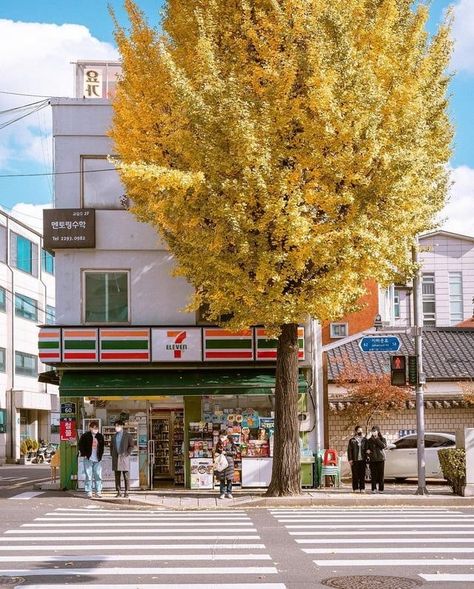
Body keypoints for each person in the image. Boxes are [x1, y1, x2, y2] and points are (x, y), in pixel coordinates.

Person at [78, 420, 104, 498]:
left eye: (96, 428)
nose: (95, 429)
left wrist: (100, 456)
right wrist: (84, 454)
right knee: (88, 476)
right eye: (93, 427)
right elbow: (80, 445)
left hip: (97, 459)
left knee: (98, 475)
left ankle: (98, 491)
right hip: (88, 458)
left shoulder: (100, 436)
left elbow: (102, 447)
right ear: (90, 428)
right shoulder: (85, 435)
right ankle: (89, 491)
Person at [111, 419, 135, 498]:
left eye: (117, 426)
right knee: (117, 476)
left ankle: (127, 491)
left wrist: (127, 453)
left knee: (126, 475)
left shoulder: (127, 435)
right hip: (116, 457)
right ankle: (118, 491)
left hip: (124, 457)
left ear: (121, 426)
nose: (116, 427)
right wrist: (112, 454)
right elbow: (111, 446)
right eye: (115, 426)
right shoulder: (114, 436)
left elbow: (131, 446)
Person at [215, 433, 237, 499]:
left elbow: (235, 452)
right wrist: (217, 453)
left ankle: (229, 493)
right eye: (222, 437)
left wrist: (226, 453)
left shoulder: (232, 444)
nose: (223, 438)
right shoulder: (219, 444)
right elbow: (216, 452)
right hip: (221, 462)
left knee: (229, 479)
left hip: (229, 463)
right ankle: (222, 493)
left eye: (224, 437)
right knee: (222, 479)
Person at [366, 425, 387, 493]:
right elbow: (367, 450)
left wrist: (377, 439)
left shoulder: (382, 439)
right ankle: (373, 488)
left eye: (375, 431)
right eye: (372, 431)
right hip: (373, 459)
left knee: (381, 475)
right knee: (374, 475)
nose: (373, 432)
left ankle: (381, 489)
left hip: (381, 459)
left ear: (378, 431)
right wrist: (368, 453)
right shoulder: (369, 440)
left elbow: (383, 446)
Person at [347, 425, 368, 493]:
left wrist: (367, 456)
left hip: (362, 459)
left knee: (362, 474)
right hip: (355, 460)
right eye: (359, 430)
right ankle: (355, 488)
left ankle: (362, 488)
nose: (360, 432)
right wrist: (350, 459)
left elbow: (367, 449)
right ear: (356, 431)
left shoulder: (365, 440)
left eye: (361, 430)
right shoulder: (352, 440)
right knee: (355, 474)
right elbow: (349, 450)